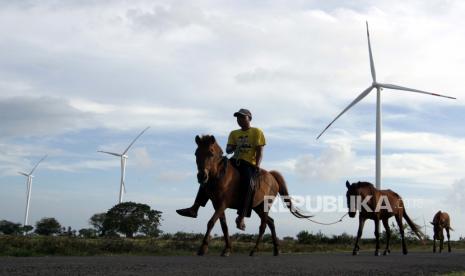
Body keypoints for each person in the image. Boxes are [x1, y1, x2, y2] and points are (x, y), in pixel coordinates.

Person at [176, 108, 266, 231]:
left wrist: (257, 165)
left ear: (249, 118)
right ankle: (195, 208)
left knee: (249, 182)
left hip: (248, 163)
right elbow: (228, 149)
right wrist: (231, 148)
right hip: (234, 161)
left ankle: (242, 216)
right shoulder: (234, 133)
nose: (239, 120)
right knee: (208, 177)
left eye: (242, 117)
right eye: (238, 118)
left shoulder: (257, 132)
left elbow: (260, 150)